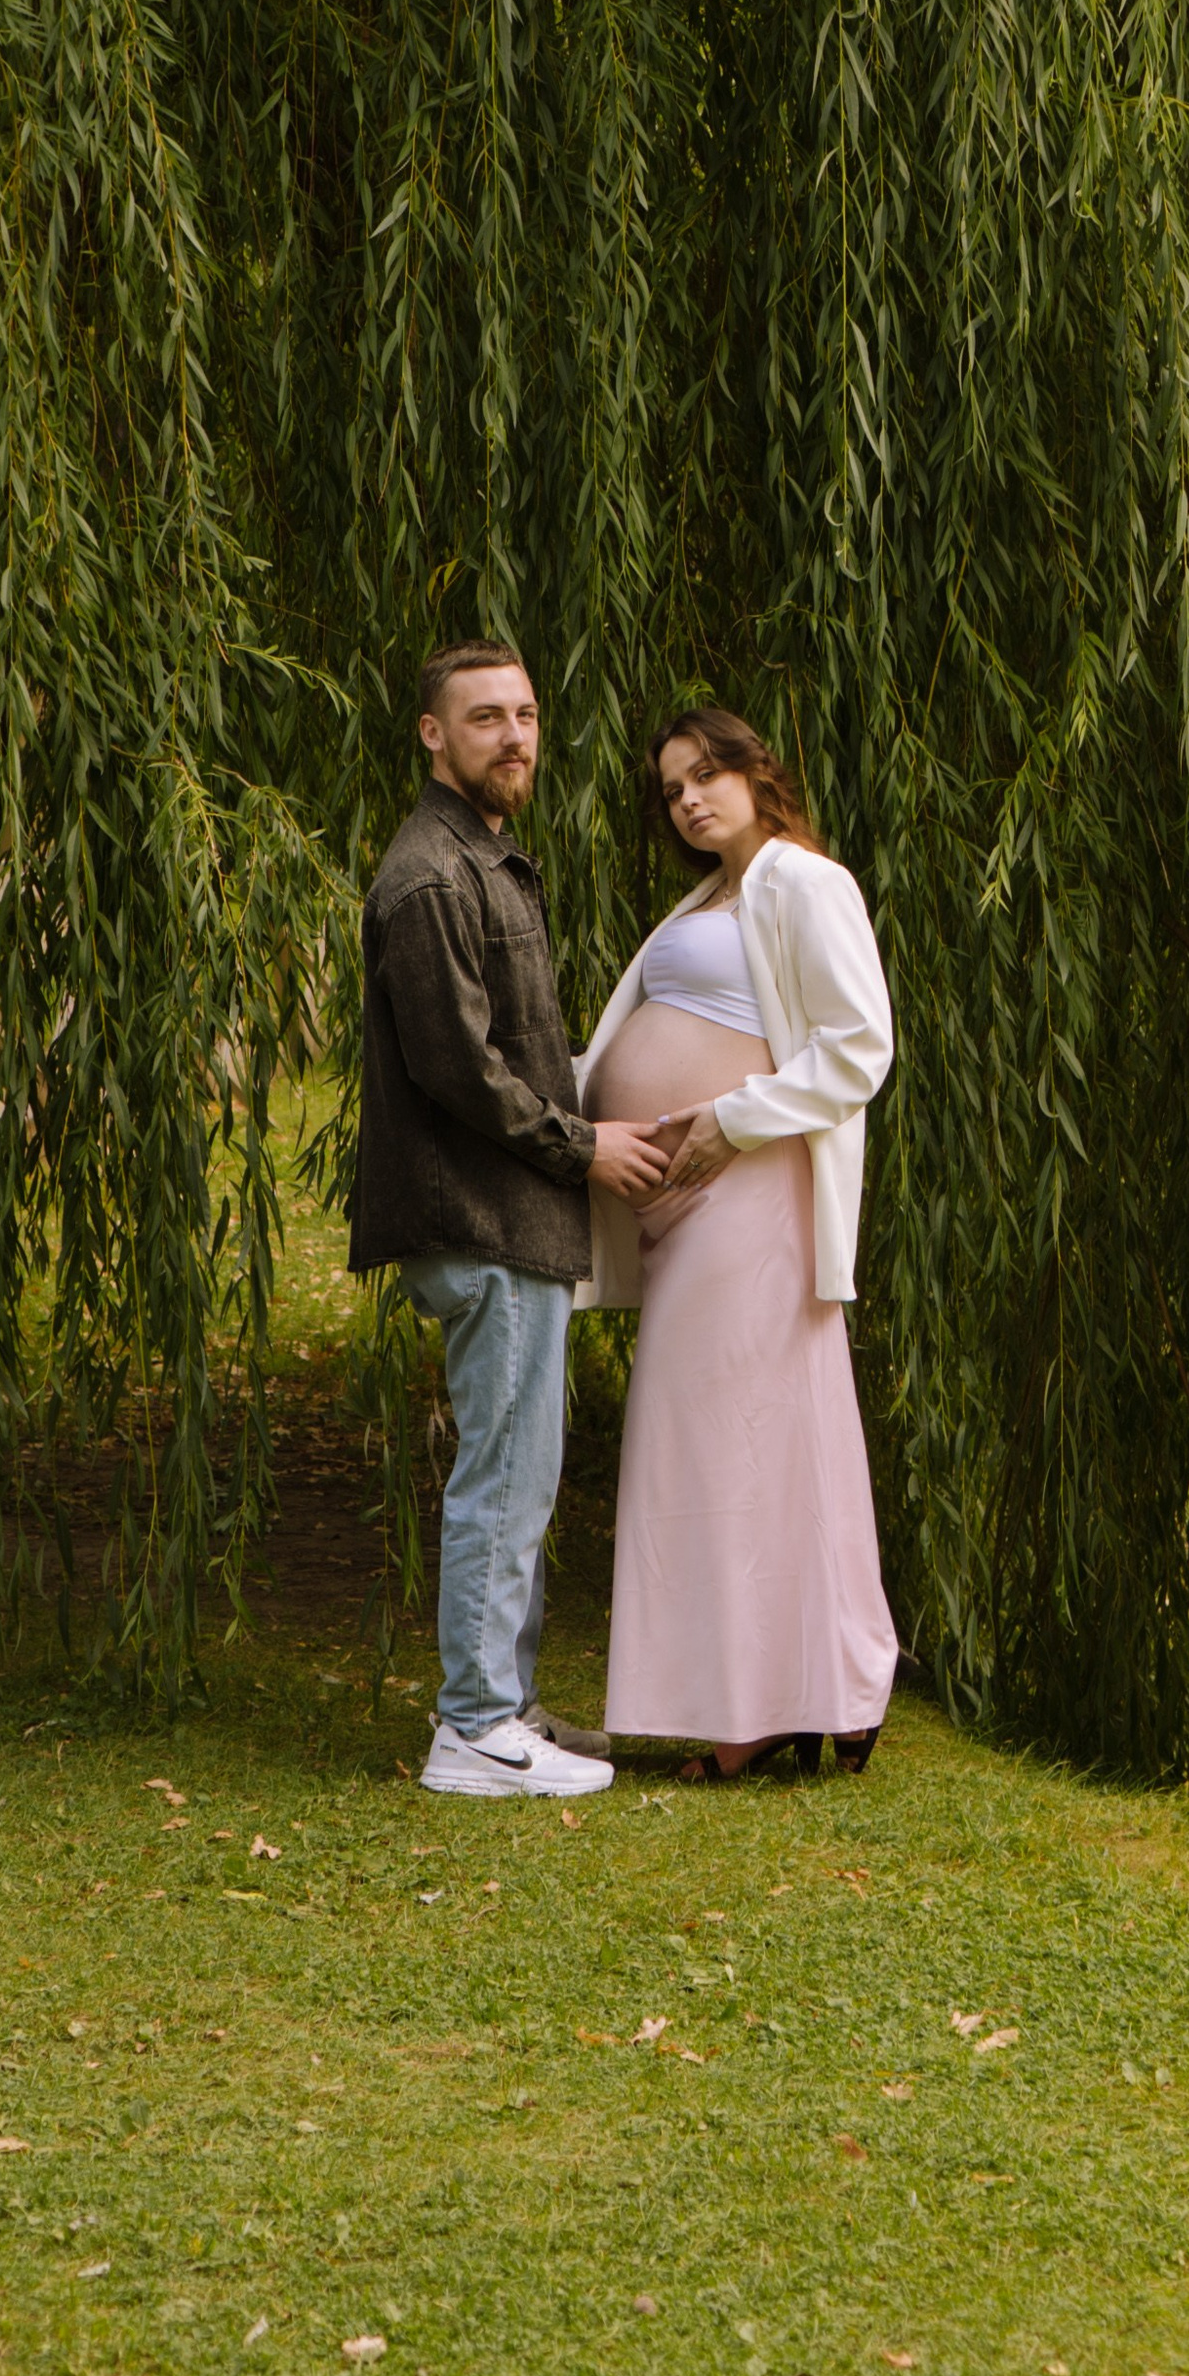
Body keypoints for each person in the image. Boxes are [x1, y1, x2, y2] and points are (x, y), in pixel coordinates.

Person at [350, 640, 668, 1797]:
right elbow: (458, 1070)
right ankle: (475, 1730)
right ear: (433, 734)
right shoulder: (433, 878)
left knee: (525, 1469)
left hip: (511, 1218)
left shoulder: (483, 860)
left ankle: (510, 1710)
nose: (515, 736)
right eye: (486, 717)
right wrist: (585, 1145)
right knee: (503, 1475)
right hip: (482, 1218)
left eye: (526, 714)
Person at [578, 707, 899, 1774]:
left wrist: (732, 1117)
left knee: (733, 1437)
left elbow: (859, 1047)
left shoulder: (805, 882)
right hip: (684, 1204)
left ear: (758, 774)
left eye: (707, 775)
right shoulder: (708, 897)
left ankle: (767, 1710)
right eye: (672, 788)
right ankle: (803, 1693)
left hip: (750, 1189)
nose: (688, 799)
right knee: (727, 1437)